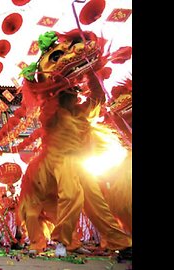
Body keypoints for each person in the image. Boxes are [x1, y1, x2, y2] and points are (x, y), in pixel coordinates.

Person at [18, 29, 132, 258]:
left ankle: (122, 242)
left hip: (78, 162)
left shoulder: (80, 112)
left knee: (97, 203)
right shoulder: (53, 111)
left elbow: (97, 100)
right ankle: (60, 242)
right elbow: (49, 106)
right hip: (58, 161)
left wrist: (93, 75)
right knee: (70, 196)